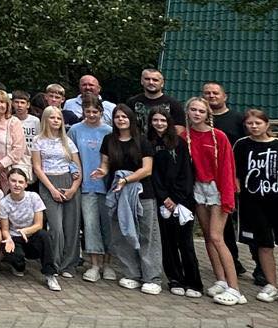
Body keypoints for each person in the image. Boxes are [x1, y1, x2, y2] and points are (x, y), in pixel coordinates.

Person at [93, 104, 165, 296]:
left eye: (124, 116)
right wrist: (102, 172)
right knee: (121, 233)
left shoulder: (142, 140)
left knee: (147, 234)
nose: (121, 120)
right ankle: (132, 273)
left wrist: (126, 180)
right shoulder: (109, 140)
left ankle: (152, 278)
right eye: (117, 117)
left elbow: (147, 169)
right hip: (118, 192)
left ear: (131, 119)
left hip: (142, 193)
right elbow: (105, 164)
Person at [183, 96, 241, 305]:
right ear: (187, 112)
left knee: (217, 237)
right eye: (193, 110)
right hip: (198, 189)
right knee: (208, 236)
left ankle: (235, 289)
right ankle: (221, 280)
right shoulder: (184, 136)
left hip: (217, 188)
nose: (197, 114)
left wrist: (227, 196)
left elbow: (227, 167)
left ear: (208, 114)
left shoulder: (219, 136)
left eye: (201, 111)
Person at [233, 109, 278, 307]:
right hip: (254, 203)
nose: (254, 126)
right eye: (250, 123)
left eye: (258, 123)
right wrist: (237, 187)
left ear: (267, 124)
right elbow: (235, 171)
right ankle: (271, 285)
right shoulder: (241, 145)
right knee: (263, 244)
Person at [148, 107, 203, 297]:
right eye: (155, 120)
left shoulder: (179, 143)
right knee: (167, 242)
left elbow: (186, 173)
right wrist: (164, 198)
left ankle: (194, 283)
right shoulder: (149, 143)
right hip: (162, 200)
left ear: (169, 122)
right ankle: (175, 279)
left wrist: (176, 197)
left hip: (182, 200)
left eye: (163, 120)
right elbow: (153, 175)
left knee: (185, 243)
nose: (159, 124)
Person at [203, 80, 252, 282]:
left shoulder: (237, 119)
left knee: (249, 222)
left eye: (215, 93)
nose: (211, 96)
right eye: (207, 93)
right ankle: (233, 262)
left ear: (225, 96)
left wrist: (239, 176)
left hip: (238, 178)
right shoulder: (201, 120)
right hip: (211, 181)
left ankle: (260, 268)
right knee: (224, 227)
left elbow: (248, 146)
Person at [31, 106, 82, 279]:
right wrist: (51, 189)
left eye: (59, 118)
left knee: (71, 226)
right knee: (56, 227)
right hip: (48, 183)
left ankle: (69, 264)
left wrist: (73, 188)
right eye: (52, 118)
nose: (56, 121)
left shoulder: (67, 141)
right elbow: (37, 167)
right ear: (45, 119)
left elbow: (77, 167)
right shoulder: (38, 140)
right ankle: (54, 262)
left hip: (68, 182)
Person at [69, 94, 113, 282]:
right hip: (86, 186)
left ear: (101, 112)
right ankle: (94, 264)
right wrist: (74, 174)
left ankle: (108, 264)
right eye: (88, 111)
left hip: (107, 186)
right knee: (90, 225)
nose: (92, 115)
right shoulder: (75, 130)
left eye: (95, 111)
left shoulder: (109, 131)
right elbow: (69, 155)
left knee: (108, 226)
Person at [0, 167, 61, 291]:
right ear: (8, 182)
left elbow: (38, 224)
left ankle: (50, 274)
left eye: (20, 182)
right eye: (13, 181)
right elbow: (5, 229)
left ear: (26, 184)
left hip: (32, 236)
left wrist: (25, 231)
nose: (17, 185)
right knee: (13, 256)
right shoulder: (4, 203)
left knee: (44, 235)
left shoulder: (33, 197)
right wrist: (8, 239)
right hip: (15, 237)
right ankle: (17, 265)